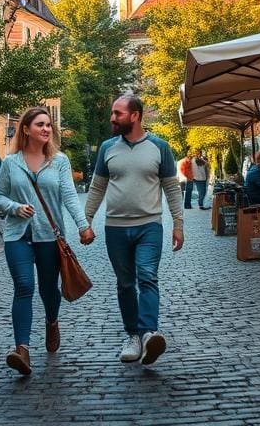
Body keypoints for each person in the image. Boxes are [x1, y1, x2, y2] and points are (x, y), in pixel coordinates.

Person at [0, 106, 94, 376]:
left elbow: (69, 196)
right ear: (26, 129)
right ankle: (22, 350)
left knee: (49, 289)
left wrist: (83, 226)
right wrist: (15, 207)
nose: (47, 129)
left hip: (49, 236)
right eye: (40, 124)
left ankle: (51, 321)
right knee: (24, 286)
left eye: (48, 125)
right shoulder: (10, 163)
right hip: (18, 236)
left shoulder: (59, 161)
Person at [84, 94, 184, 366]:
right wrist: (86, 221)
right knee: (126, 283)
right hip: (116, 228)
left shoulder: (159, 147)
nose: (112, 118)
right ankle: (134, 336)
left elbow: (171, 188)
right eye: (112, 113)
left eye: (118, 113)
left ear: (135, 116)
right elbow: (97, 187)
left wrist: (178, 224)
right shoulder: (107, 148)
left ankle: (149, 332)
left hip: (149, 226)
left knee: (147, 276)